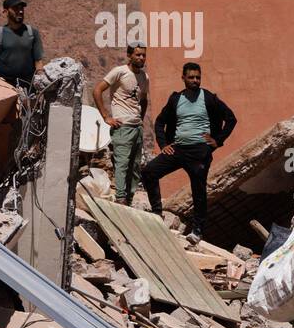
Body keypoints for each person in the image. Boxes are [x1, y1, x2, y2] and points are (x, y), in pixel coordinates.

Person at [141, 62, 237, 242]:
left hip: (199, 151)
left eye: (198, 77)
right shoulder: (176, 99)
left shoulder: (208, 98)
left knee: (198, 190)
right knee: (149, 172)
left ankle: (198, 230)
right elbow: (160, 122)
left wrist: (217, 141)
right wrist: (163, 144)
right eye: (191, 77)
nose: (195, 80)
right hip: (177, 149)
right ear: (183, 78)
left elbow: (231, 119)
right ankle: (156, 213)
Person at [92, 42, 150, 205]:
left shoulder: (144, 77)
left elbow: (143, 99)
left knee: (135, 167)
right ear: (130, 55)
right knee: (122, 164)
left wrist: (140, 119)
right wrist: (106, 116)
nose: (141, 58)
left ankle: (129, 199)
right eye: (138, 54)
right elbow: (97, 90)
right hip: (122, 127)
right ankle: (120, 197)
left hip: (136, 127)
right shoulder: (119, 72)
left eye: (143, 55)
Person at [0, 0, 43, 88]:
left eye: (21, 9)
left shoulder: (32, 33)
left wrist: (40, 83)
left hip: (28, 88)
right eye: (15, 8)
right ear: (5, 12)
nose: (20, 11)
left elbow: (38, 62)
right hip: (4, 87)